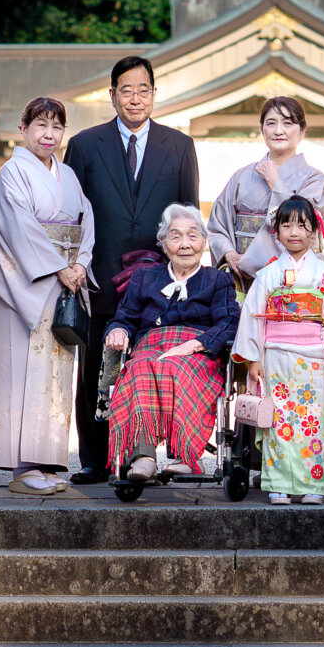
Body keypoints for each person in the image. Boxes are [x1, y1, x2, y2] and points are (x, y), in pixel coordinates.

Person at [64, 54, 200, 485]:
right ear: (112, 95)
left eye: (144, 90)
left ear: (155, 95)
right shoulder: (86, 145)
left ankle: (145, 455)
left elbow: (189, 217)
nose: (135, 98)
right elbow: (71, 216)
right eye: (127, 90)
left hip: (158, 281)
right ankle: (95, 458)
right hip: (98, 274)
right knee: (95, 370)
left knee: (152, 367)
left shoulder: (179, 147)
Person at [0, 95, 96, 495]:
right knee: (22, 371)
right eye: (41, 125)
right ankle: (20, 466)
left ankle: (45, 461)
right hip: (26, 286)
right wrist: (60, 266)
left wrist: (80, 262)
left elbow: (86, 221)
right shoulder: (12, 173)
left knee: (55, 374)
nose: (50, 134)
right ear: (23, 129)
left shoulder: (67, 175)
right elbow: (18, 228)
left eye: (57, 126)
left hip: (62, 282)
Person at [100, 203, 240, 480]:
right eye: (176, 236)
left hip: (196, 352)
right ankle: (143, 457)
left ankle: (186, 455)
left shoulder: (217, 280)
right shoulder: (144, 277)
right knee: (138, 368)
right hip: (150, 347)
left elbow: (230, 323)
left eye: (192, 235)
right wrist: (118, 331)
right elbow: (124, 318)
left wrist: (195, 344)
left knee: (180, 368)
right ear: (163, 243)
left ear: (203, 241)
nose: (185, 244)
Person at [231, 195, 324, 505]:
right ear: (277, 231)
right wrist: (254, 358)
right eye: (287, 225)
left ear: (314, 231)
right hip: (275, 356)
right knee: (280, 420)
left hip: (315, 358)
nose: (294, 232)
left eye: (302, 225)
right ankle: (279, 483)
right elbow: (254, 316)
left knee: (314, 420)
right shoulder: (268, 274)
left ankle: (314, 484)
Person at [207, 95, 324, 280]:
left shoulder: (314, 179)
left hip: (294, 277)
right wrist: (229, 254)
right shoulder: (241, 176)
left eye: (288, 123)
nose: (278, 131)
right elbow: (217, 226)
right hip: (242, 276)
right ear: (262, 130)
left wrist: (276, 184)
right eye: (271, 123)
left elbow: (305, 225)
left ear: (302, 130)